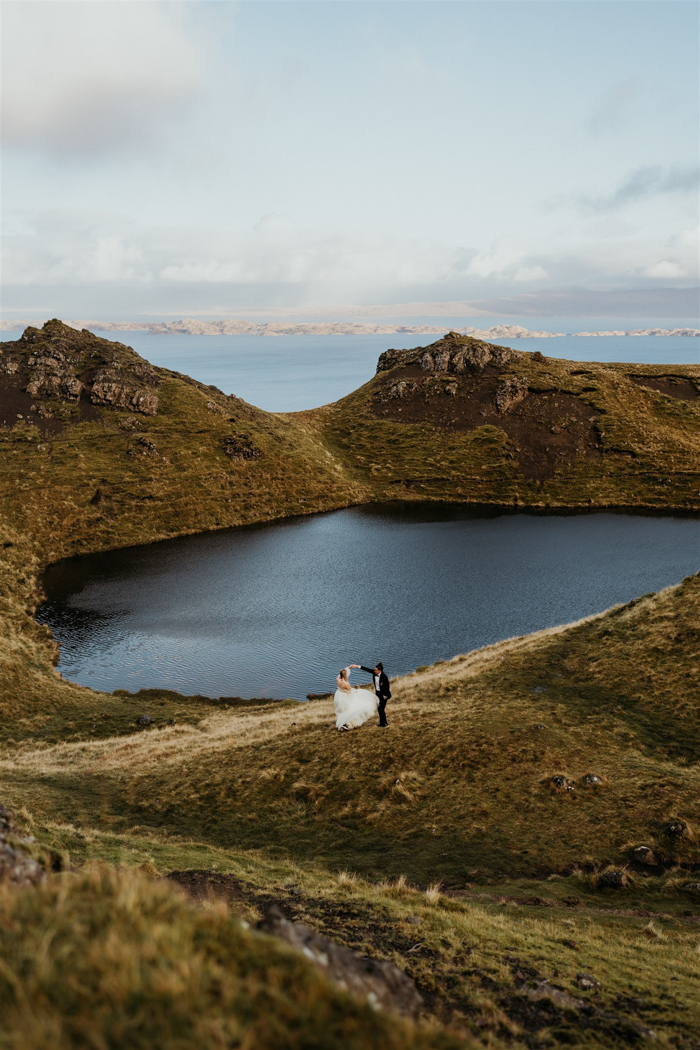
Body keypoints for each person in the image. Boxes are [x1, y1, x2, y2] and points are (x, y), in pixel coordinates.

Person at [333, 666, 378, 731]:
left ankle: (342, 723)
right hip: (345, 697)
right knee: (351, 709)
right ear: (345, 675)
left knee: (343, 711)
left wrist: (347, 668)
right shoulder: (346, 684)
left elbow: (340, 675)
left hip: (338, 696)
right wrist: (355, 691)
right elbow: (349, 692)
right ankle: (346, 723)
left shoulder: (338, 679)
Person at [349, 661, 391, 727]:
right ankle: (383, 723)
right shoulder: (374, 673)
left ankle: (384, 724)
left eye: (376, 670)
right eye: (374, 669)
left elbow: (387, 687)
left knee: (381, 709)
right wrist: (357, 666)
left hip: (384, 695)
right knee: (380, 709)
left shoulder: (384, 677)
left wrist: (385, 696)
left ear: (380, 671)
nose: (374, 671)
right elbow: (366, 669)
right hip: (378, 693)